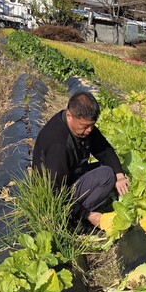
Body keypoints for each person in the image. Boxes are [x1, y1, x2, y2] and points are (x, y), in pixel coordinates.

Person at [32, 90, 130, 228]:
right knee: (106, 175)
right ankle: (75, 221)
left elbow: (104, 150)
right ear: (69, 116)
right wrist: (88, 214)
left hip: (70, 176)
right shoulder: (58, 146)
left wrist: (120, 176)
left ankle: (81, 212)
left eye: (92, 125)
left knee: (111, 171)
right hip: (53, 195)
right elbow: (54, 192)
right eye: (85, 126)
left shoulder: (81, 127)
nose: (90, 130)